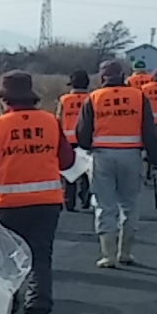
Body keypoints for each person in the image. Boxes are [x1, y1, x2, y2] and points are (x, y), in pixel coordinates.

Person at [0, 71, 75, 314]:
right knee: (41, 257)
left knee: (7, 259)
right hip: (47, 202)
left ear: (5, 99)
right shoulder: (50, 122)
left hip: (9, 204)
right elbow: (66, 162)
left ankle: (8, 312)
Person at [75, 60, 157, 268]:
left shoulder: (94, 98)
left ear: (102, 77)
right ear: (123, 76)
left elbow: (82, 134)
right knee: (129, 204)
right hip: (132, 156)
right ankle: (126, 252)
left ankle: (109, 255)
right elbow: (150, 132)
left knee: (105, 205)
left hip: (102, 156)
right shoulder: (139, 97)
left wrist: (90, 147)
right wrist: (155, 160)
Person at [57, 69, 92, 212]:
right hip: (86, 139)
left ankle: (69, 201)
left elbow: (58, 119)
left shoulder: (64, 99)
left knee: (68, 171)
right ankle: (85, 198)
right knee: (86, 171)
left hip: (67, 140)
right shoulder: (92, 98)